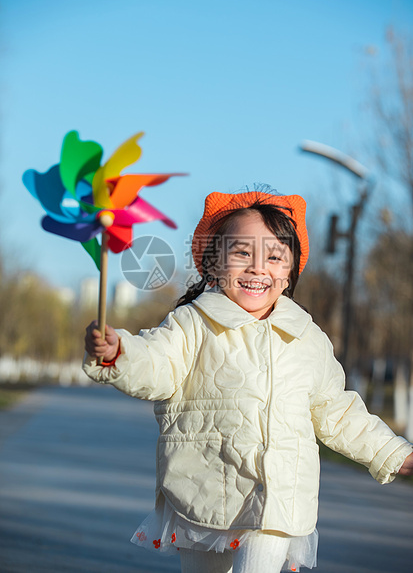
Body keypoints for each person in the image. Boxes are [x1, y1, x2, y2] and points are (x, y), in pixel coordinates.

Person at [83, 188, 413, 573]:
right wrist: (119, 352)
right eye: (242, 253)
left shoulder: (306, 337)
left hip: (277, 497)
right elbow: (156, 363)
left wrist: (391, 451)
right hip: (201, 487)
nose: (259, 268)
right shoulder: (193, 324)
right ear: (213, 263)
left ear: (290, 270)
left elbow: (337, 410)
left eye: (275, 257)